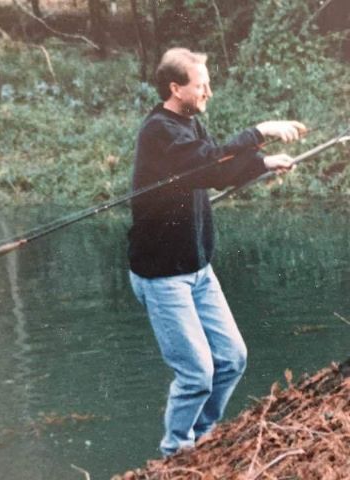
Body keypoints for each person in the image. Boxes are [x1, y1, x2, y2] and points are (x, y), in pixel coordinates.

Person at [127, 48, 307, 456]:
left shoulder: (190, 124)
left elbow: (217, 171)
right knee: (196, 374)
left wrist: (263, 163)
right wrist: (260, 130)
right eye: (201, 83)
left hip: (197, 267)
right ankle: (176, 451)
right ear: (176, 88)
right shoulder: (158, 130)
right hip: (162, 275)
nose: (209, 90)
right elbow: (203, 161)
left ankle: (203, 437)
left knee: (231, 359)